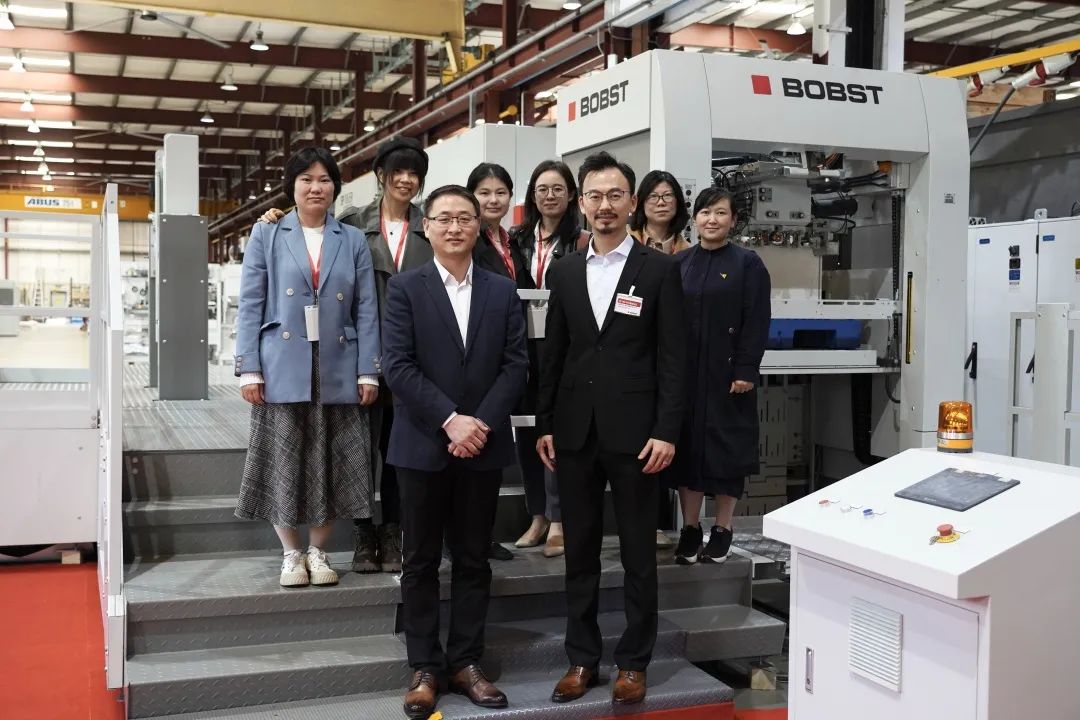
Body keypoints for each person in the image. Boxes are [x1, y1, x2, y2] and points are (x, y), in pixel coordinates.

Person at [537, 151, 687, 706]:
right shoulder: (565, 270)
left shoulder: (659, 270)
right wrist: (545, 422)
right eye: (595, 196)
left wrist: (667, 430)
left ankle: (633, 662)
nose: (605, 205)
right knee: (579, 552)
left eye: (615, 195)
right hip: (574, 431)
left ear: (632, 202)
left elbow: (674, 359)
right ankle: (582, 658)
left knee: (638, 555)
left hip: (638, 435)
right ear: (582, 203)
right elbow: (554, 353)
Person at [382, 184, 528, 720]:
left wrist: (478, 424)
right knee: (419, 560)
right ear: (427, 226)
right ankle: (425, 666)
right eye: (443, 218)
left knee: (472, 558)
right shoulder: (405, 288)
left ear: (478, 225)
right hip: (423, 442)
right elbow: (397, 365)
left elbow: (516, 366)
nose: (454, 227)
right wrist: (450, 419)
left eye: (464, 218)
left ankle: (466, 662)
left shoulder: (502, 290)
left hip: (481, 445)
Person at [259, 137, 432, 574]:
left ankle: (393, 531)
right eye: (397, 171)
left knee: (400, 447)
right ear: (380, 176)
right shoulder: (353, 223)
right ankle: (362, 533)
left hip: (413, 354)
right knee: (357, 450)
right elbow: (305, 239)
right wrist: (278, 215)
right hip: (355, 355)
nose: (406, 180)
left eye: (414, 173)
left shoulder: (431, 224)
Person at [234, 146, 381, 588]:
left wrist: (369, 369)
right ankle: (290, 553)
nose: (316, 187)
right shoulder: (268, 232)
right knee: (283, 457)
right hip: (281, 364)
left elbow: (366, 308)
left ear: (335, 186)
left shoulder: (351, 238)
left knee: (333, 459)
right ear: (292, 186)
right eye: (306, 179)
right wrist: (249, 367)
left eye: (324, 179)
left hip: (338, 363)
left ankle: (319, 551)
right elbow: (251, 303)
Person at [671, 187, 771, 565]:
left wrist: (746, 368)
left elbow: (757, 320)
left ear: (733, 220)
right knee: (687, 452)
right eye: (705, 212)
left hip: (729, 376)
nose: (711, 220)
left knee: (728, 452)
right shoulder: (680, 263)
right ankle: (690, 528)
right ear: (694, 219)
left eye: (720, 213)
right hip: (687, 376)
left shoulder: (748, 264)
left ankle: (723, 529)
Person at [510, 160, 589, 559]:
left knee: (555, 430)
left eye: (558, 188)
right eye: (542, 189)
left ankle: (559, 518)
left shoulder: (582, 240)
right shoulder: (516, 239)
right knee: (526, 431)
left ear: (571, 194)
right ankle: (538, 514)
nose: (550, 196)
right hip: (522, 344)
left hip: (563, 345)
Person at [629, 170, 692, 549]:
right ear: (640, 202)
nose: (662, 202)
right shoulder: (627, 245)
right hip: (634, 356)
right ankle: (642, 524)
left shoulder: (688, 251)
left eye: (668, 196)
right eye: (654, 196)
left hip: (672, 354)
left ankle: (666, 524)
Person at [467, 162, 521, 562]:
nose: (493, 200)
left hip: (507, 350)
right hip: (476, 351)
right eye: (484, 192)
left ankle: (481, 536)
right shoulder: (468, 240)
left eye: (501, 192)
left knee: (491, 452)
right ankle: (467, 539)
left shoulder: (512, 240)